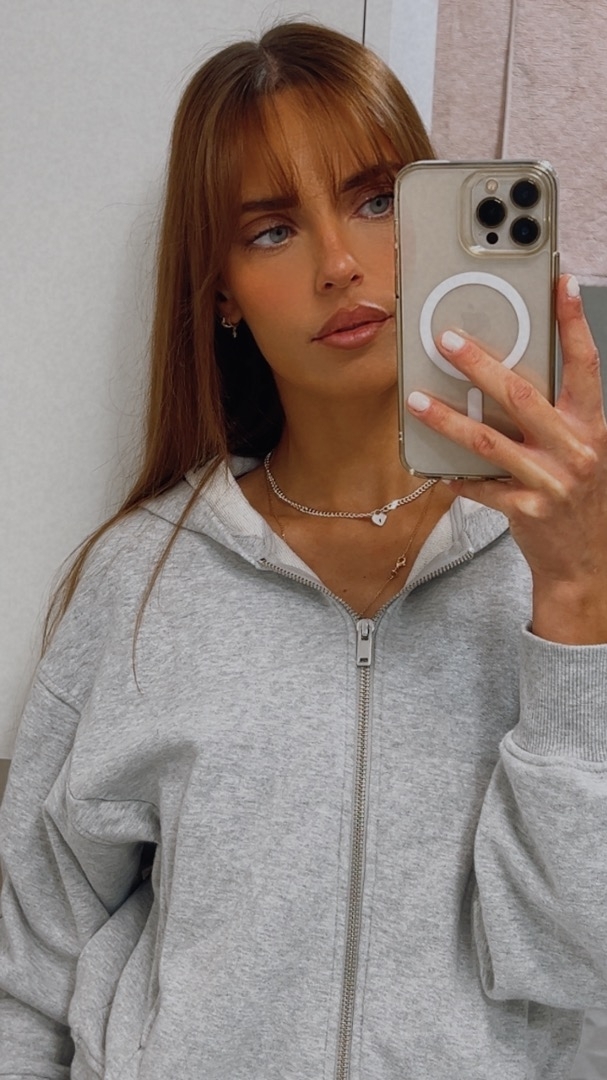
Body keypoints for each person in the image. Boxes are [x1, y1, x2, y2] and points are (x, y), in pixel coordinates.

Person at [1, 20, 606, 1080]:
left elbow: (576, 966)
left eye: (376, 202)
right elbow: (29, 969)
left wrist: (575, 596)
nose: (339, 263)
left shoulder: (561, 564)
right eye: (272, 229)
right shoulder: (142, 580)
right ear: (221, 291)